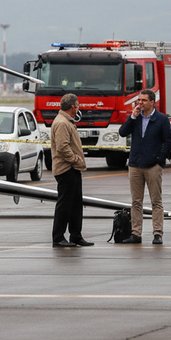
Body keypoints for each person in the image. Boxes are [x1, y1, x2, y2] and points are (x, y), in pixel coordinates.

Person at [118, 89, 171, 244]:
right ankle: (136, 233)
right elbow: (122, 132)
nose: (139, 103)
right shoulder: (135, 118)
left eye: (143, 100)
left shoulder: (161, 119)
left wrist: (160, 160)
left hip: (152, 166)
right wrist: (132, 117)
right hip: (135, 164)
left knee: (156, 201)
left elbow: (167, 141)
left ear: (151, 102)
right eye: (139, 100)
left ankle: (157, 233)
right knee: (136, 201)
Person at [51, 93, 93, 248]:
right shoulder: (62, 123)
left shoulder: (67, 121)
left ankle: (76, 235)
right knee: (65, 204)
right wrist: (76, 160)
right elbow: (62, 147)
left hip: (72, 169)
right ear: (73, 107)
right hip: (66, 169)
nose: (78, 108)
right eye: (78, 105)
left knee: (75, 204)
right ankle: (58, 237)